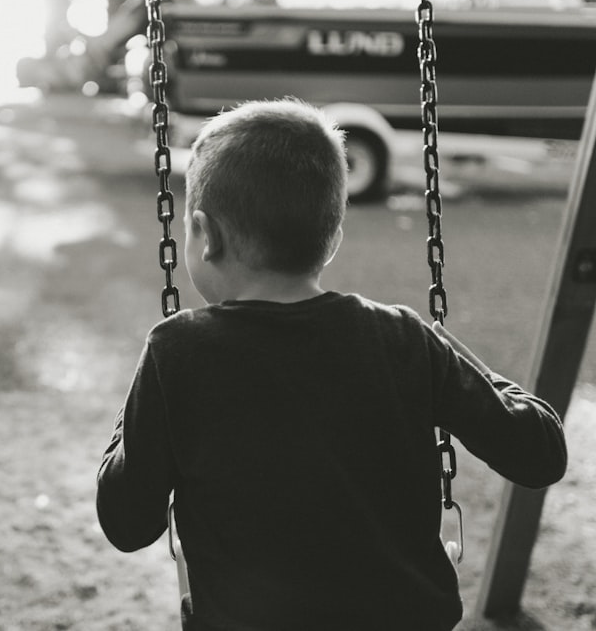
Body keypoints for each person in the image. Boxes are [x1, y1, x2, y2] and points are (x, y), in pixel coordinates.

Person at [96, 99, 568, 631]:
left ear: (206, 236)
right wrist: (450, 352)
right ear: (333, 241)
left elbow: (126, 523)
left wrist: (136, 410)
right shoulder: (403, 339)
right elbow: (540, 453)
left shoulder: (175, 352)